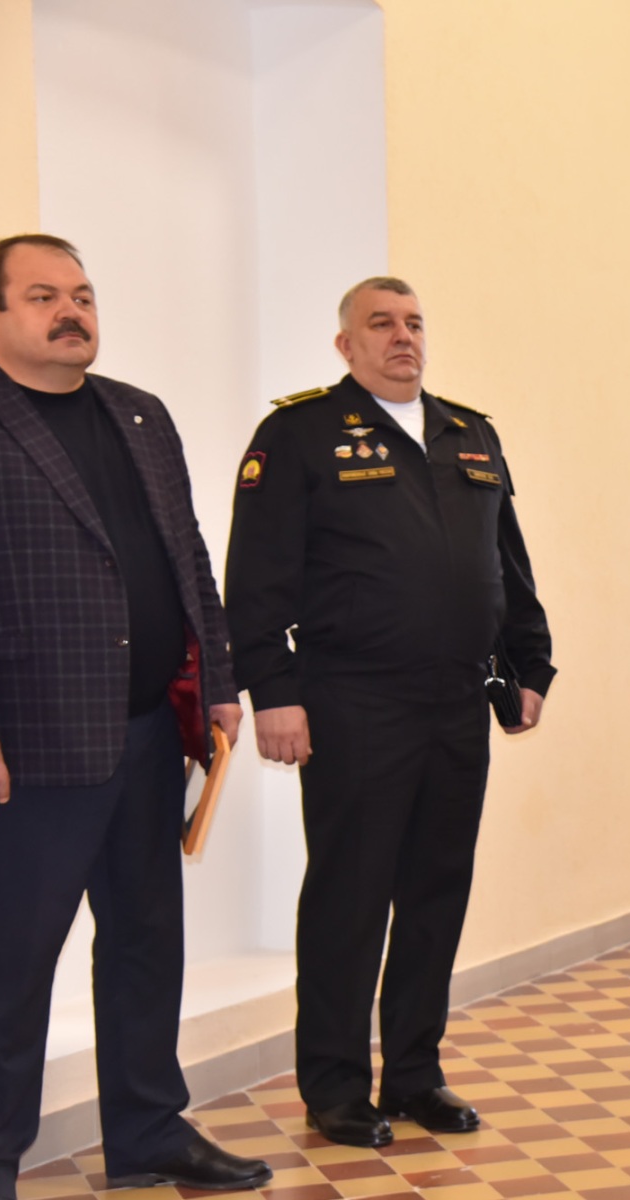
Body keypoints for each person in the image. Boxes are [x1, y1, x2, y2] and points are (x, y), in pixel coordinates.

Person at [225, 276, 554, 1149]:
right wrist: (274, 691)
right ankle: (335, 1085)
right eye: (381, 323)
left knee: (437, 892)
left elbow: (506, 563)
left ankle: (413, 1072)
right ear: (346, 345)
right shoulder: (300, 435)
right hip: (353, 700)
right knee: (351, 896)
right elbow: (254, 578)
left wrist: (531, 663)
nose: (402, 336)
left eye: (413, 322)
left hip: (457, 699)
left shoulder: (468, 434)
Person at [0, 235, 271, 1195]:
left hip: (149, 735)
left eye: (83, 295)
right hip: (28, 749)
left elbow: (187, 555)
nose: (72, 311)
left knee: (146, 945)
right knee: (8, 968)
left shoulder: (140, 413)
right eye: (43, 296)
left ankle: (147, 1133)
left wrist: (218, 677)